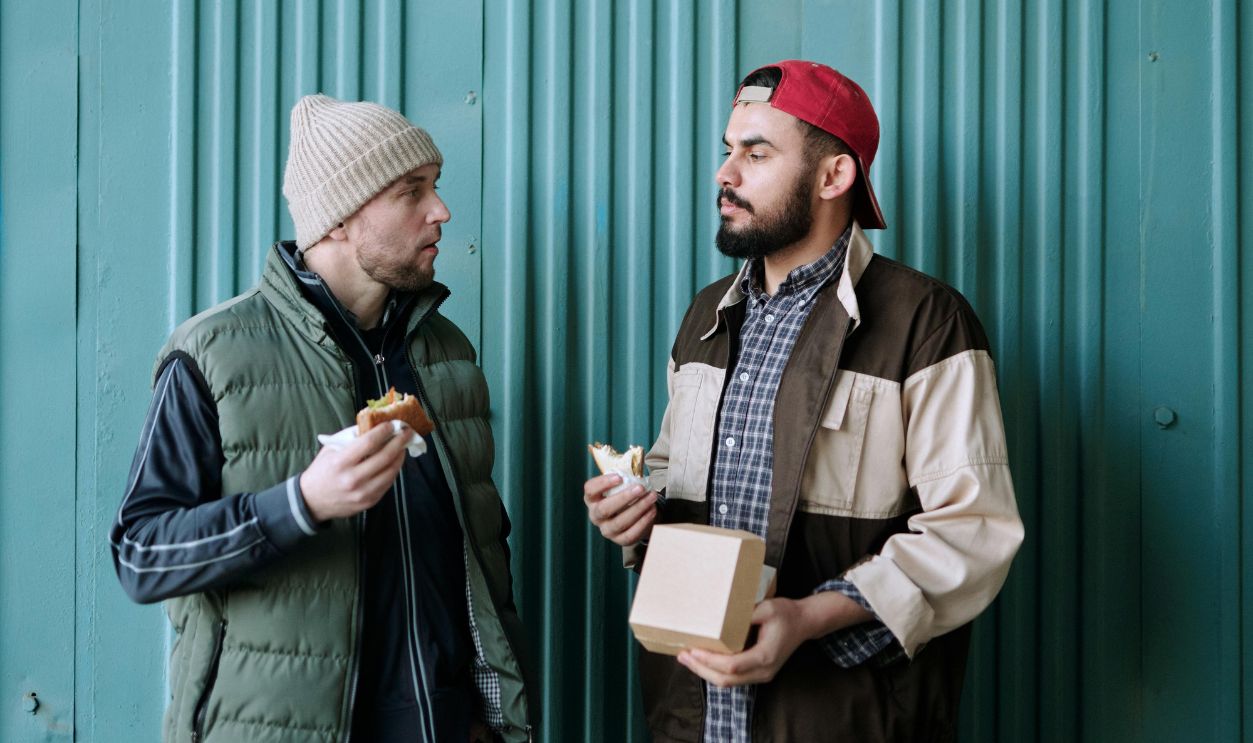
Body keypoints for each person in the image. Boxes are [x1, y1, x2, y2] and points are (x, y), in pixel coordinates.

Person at [583, 60, 1024, 742]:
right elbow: (676, 478)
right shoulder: (706, 314)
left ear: (832, 177)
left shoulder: (925, 321)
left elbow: (972, 532)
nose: (724, 174)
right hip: (692, 715)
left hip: (841, 715)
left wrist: (808, 617)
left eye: (755, 153)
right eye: (727, 150)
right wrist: (634, 512)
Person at [111, 94, 535, 743]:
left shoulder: (446, 353)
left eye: (436, 187)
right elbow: (142, 554)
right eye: (411, 192)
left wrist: (486, 714)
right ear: (339, 218)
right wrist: (301, 503)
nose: (441, 211)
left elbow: (479, 554)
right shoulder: (214, 354)